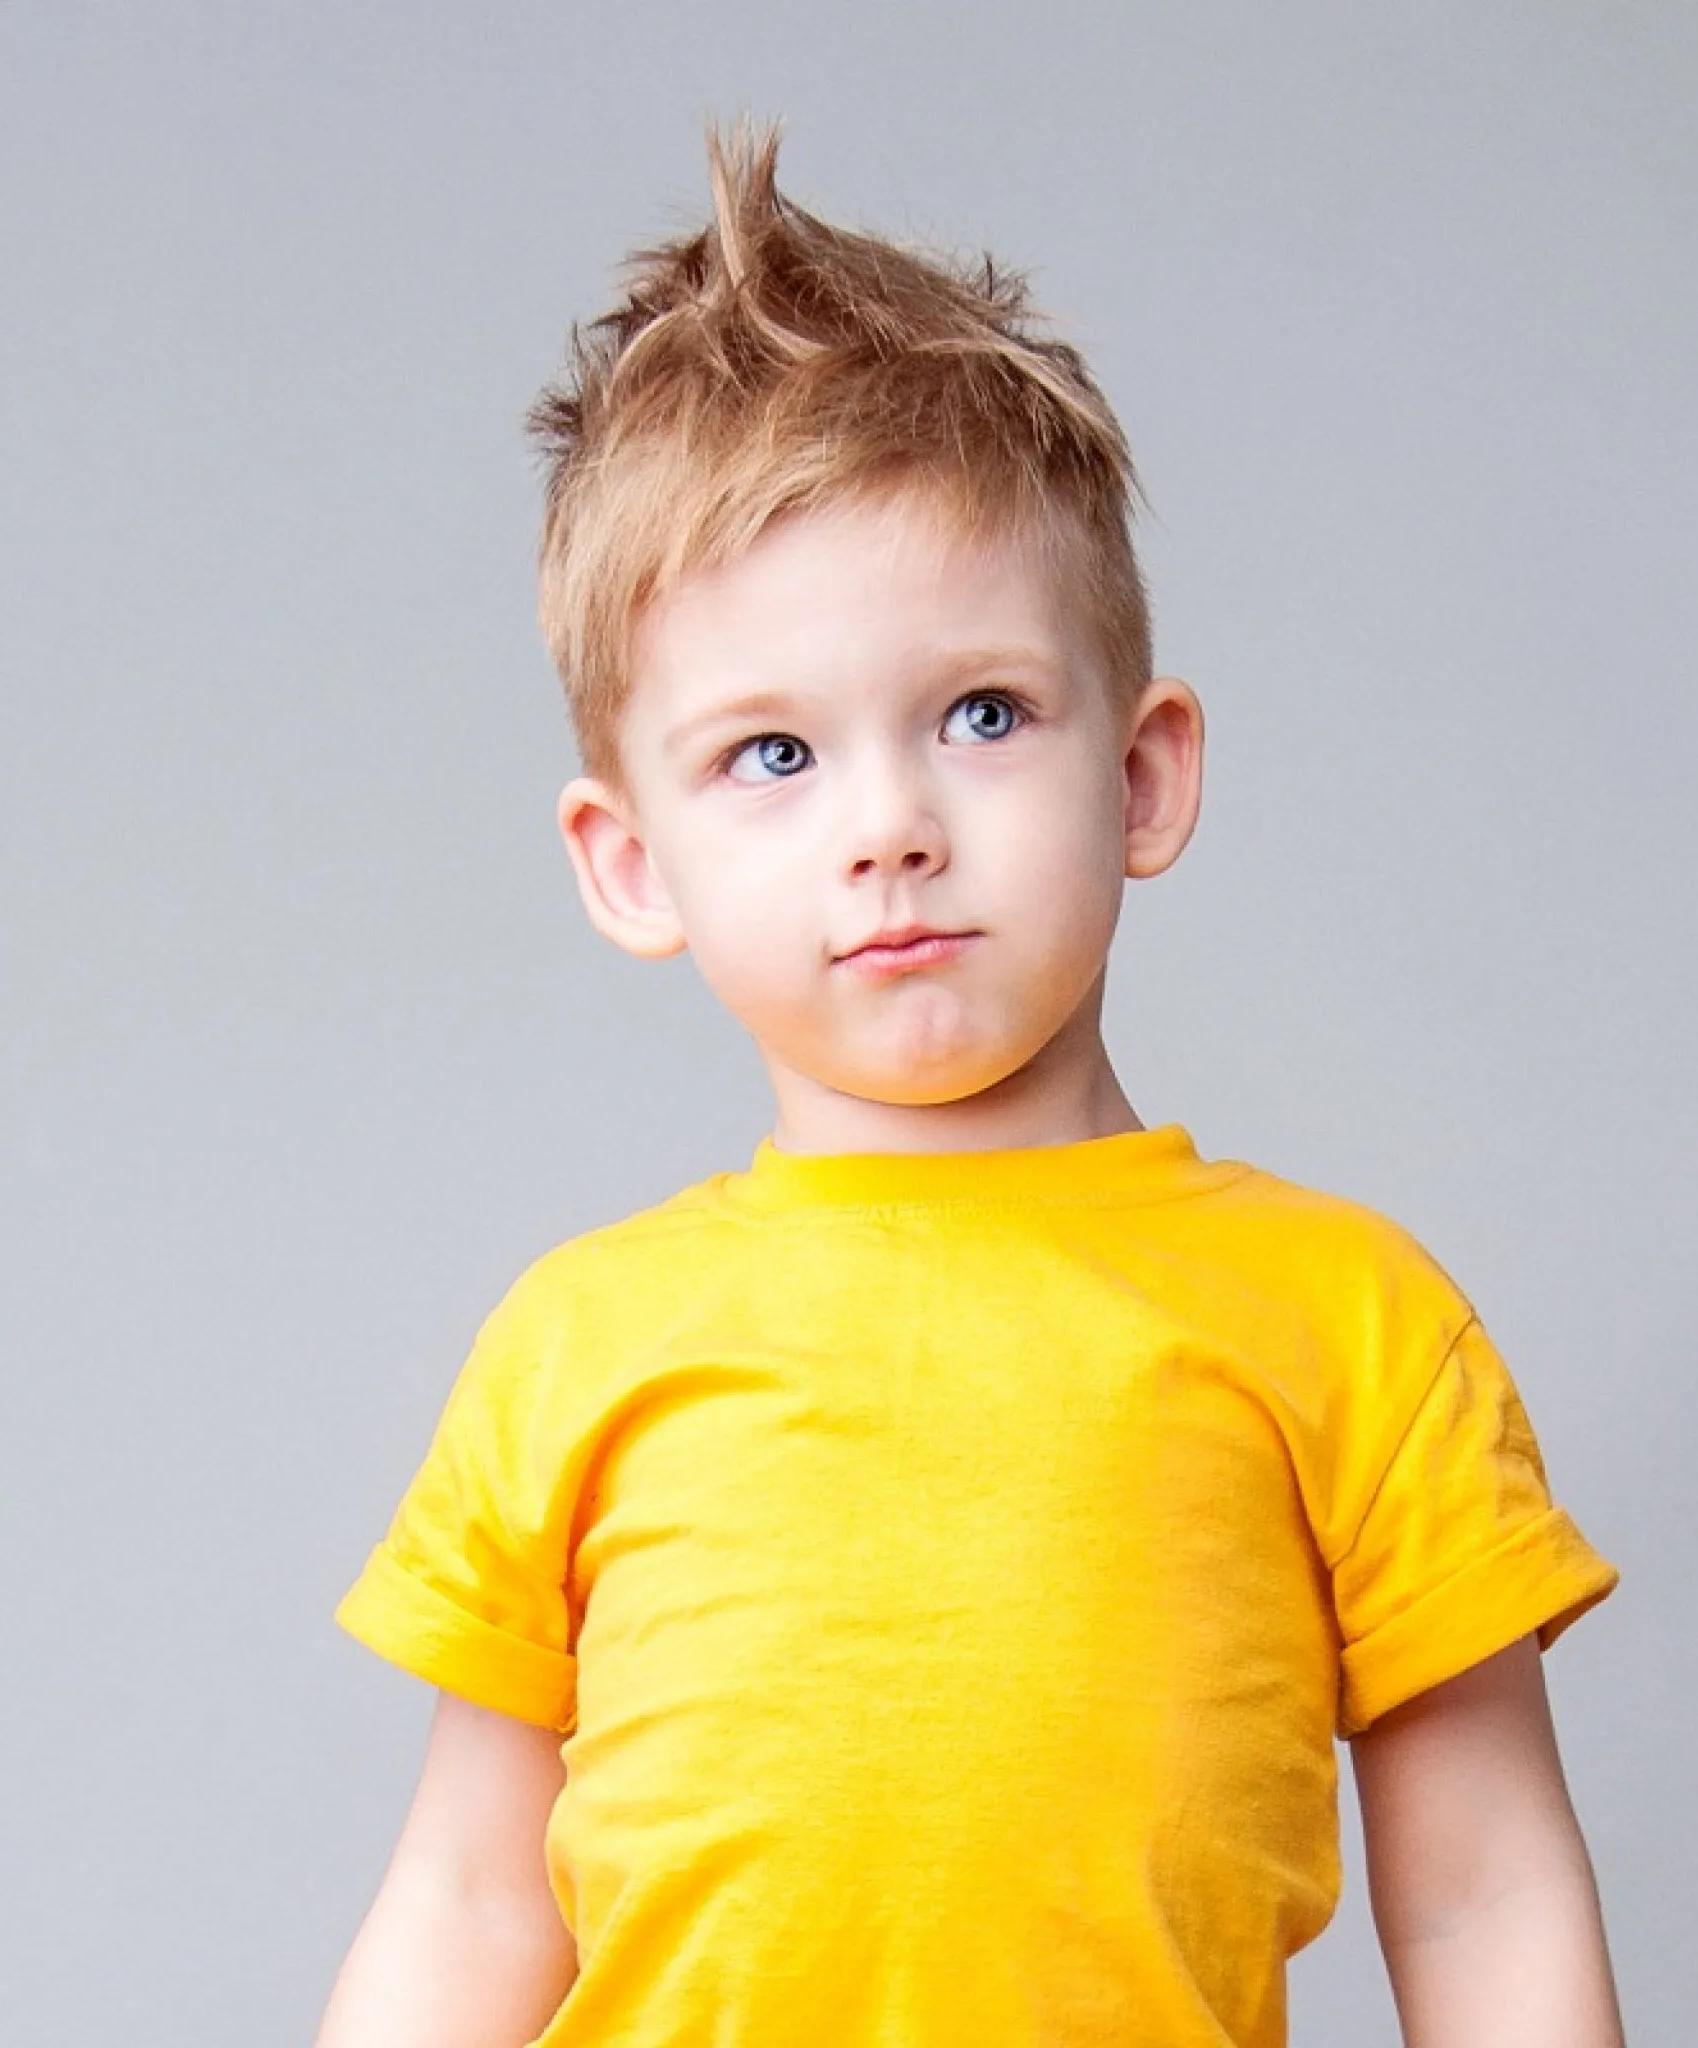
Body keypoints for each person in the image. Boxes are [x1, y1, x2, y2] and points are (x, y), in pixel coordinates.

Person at [316, 123, 1624, 2048]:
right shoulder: (576, 1343)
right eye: (771, 756)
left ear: (1146, 772)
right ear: (628, 862)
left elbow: (1487, 1892)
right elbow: (462, 1900)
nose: (890, 830)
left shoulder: (1353, 1323)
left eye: (981, 714)